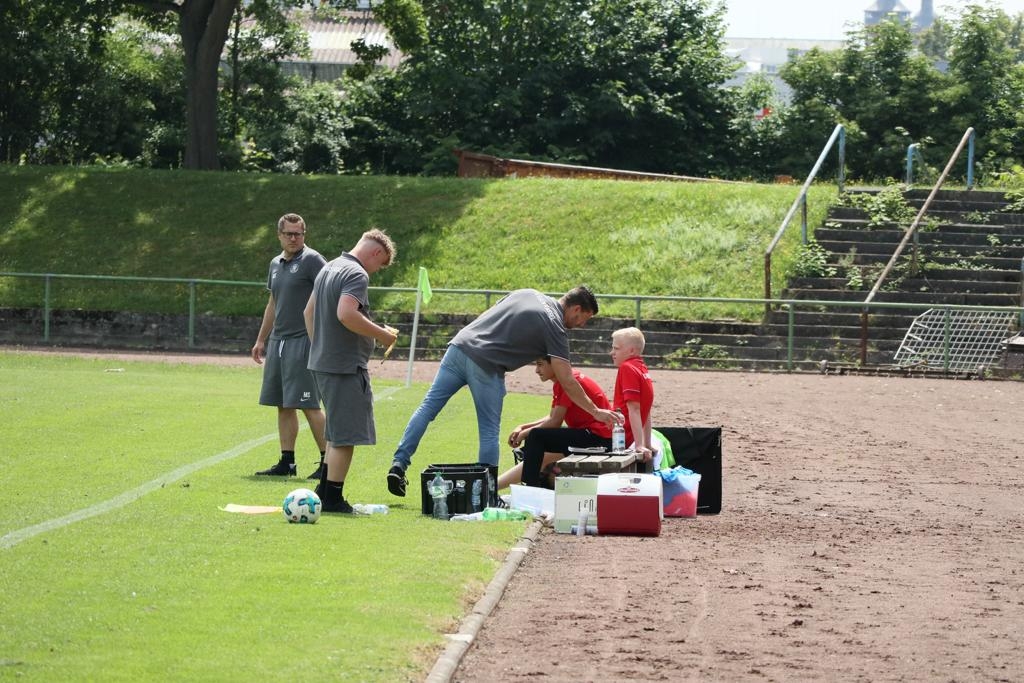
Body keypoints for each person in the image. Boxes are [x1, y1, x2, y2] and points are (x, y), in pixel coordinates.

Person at [386, 285, 618, 498]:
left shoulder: (527, 293)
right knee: (488, 431)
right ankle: (485, 494)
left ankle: (399, 463)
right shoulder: (555, 327)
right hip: (487, 366)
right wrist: (596, 411)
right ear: (576, 308)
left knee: (427, 408)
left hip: (459, 347)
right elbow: (566, 379)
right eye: (583, 319)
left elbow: (491, 316)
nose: (581, 325)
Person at [305, 229, 399, 513]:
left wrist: (321, 346)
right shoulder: (356, 274)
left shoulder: (328, 268)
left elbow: (308, 313)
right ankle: (333, 498)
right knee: (345, 436)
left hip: (322, 363)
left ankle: (323, 490)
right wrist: (382, 335)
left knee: (335, 432)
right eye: (379, 265)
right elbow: (346, 314)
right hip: (344, 367)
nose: (376, 271)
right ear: (376, 253)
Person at [252, 213, 328, 479]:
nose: (294, 238)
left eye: (298, 233)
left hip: (303, 342)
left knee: (309, 404)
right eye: (289, 234)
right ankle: (287, 462)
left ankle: (328, 463)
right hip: (278, 343)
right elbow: (273, 303)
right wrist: (262, 339)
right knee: (283, 404)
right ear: (279, 235)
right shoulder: (275, 264)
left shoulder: (313, 261)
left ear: (304, 234)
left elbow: (330, 292)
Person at [499, 357, 613, 490]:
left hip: (598, 440)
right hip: (595, 436)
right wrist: (523, 427)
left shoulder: (568, 382)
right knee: (538, 450)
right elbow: (552, 416)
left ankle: (529, 490)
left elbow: (555, 422)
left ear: (555, 365)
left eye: (540, 365)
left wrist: (525, 433)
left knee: (536, 437)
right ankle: (494, 487)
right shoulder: (565, 380)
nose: (536, 370)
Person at [610, 326, 655, 469]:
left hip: (617, 438)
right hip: (624, 437)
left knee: (544, 437)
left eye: (616, 348)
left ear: (631, 351)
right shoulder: (642, 367)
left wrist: (640, 445)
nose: (612, 353)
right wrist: (646, 444)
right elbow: (646, 411)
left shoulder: (627, 368)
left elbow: (635, 409)